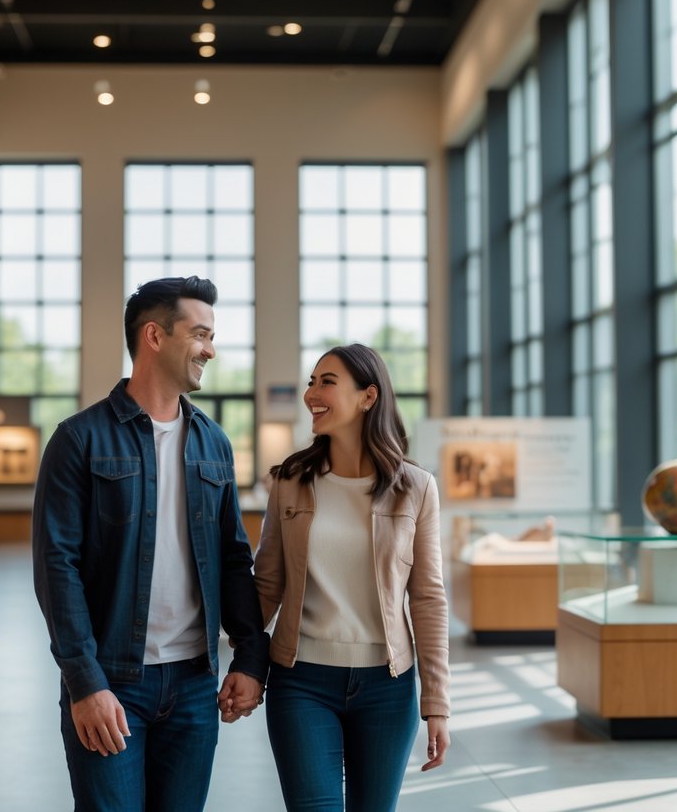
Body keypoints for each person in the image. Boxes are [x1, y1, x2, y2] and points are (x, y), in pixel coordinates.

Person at [33, 275, 269, 812]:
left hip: (193, 686)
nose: (211, 348)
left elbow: (235, 558)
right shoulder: (79, 440)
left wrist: (251, 658)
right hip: (112, 683)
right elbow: (57, 567)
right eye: (201, 333)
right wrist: (84, 682)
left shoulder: (214, 443)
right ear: (154, 336)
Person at [254, 343, 451, 811]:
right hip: (300, 680)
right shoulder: (290, 480)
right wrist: (240, 662)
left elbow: (427, 597)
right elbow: (266, 585)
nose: (311, 394)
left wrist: (437, 703)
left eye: (327, 382)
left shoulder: (416, 488)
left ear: (368, 396)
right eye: (310, 382)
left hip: (387, 686)